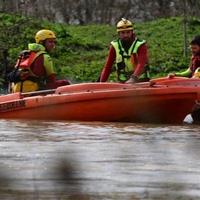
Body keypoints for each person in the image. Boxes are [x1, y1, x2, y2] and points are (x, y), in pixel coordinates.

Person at [99, 18, 149, 83]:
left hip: (141, 82)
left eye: (128, 32)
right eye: (123, 33)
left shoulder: (140, 45)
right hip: (122, 83)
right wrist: (101, 83)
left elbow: (141, 64)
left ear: (132, 32)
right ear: (118, 33)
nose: (126, 35)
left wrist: (133, 78)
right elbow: (108, 67)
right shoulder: (115, 46)